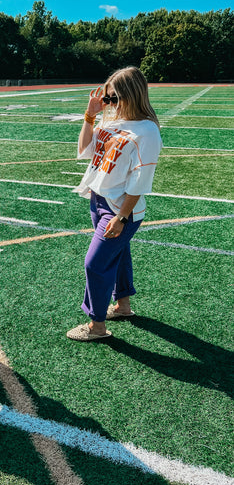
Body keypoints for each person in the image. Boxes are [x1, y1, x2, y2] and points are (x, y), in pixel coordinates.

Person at [67, 66, 162, 342]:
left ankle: (96, 326)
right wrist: (90, 115)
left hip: (120, 209)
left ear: (131, 95)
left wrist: (121, 217)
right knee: (118, 255)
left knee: (95, 264)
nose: (109, 104)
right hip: (98, 200)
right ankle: (123, 306)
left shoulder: (147, 131)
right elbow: (85, 150)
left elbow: (140, 182)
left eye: (114, 99)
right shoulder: (109, 122)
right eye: (107, 99)